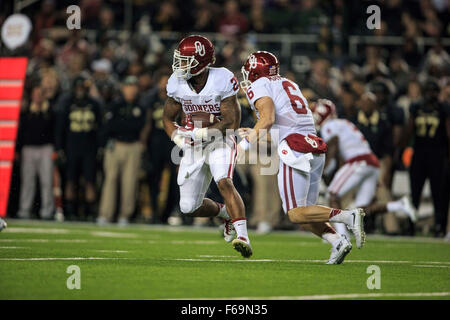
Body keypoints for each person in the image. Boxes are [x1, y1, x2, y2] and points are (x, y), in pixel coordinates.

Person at [237, 51, 363, 265]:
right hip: (312, 146)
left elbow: (267, 119)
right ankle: (338, 242)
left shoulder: (259, 85)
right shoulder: (289, 84)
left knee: (295, 214)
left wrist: (244, 144)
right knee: (308, 213)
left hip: (295, 150)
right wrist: (255, 133)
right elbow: (287, 124)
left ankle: (347, 216)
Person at [162, 35, 251, 258]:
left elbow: (232, 122)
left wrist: (206, 132)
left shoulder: (221, 78)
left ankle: (243, 236)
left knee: (224, 181)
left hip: (221, 140)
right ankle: (225, 213)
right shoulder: (177, 83)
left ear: (201, 62)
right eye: (180, 60)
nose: (180, 65)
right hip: (194, 143)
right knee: (188, 207)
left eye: (186, 60)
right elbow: (167, 119)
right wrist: (177, 138)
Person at [311, 96, 417, 238]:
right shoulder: (343, 123)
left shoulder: (330, 125)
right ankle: (399, 205)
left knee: (332, 194)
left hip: (359, 161)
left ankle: (341, 235)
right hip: (372, 163)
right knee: (362, 208)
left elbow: (334, 144)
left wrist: (326, 168)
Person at [97, 76, 146, 226]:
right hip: (115, 145)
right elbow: (109, 126)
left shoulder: (140, 107)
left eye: (134, 86)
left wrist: (122, 125)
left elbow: (138, 126)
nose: (131, 89)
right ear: (123, 88)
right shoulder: (115, 105)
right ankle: (105, 214)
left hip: (133, 146)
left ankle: (125, 214)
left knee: (130, 182)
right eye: (128, 86)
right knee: (110, 180)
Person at [405, 80, 450, 237]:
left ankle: (439, 226)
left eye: (433, 91)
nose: (430, 94)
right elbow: (409, 130)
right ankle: (411, 224)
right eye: (428, 91)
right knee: (415, 193)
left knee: (438, 193)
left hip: (437, 154)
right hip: (419, 154)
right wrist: (404, 148)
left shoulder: (443, 108)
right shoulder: (416, 107)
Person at [55, 75, 102, 221]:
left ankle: (89, 212)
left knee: (89, 181)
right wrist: (59, 148)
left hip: (89, 148)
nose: (80, 90)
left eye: (83, 87)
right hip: (71, 147)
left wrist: (100, 147)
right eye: (78, 87)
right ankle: (70, 211)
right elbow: (60, 128)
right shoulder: (67, 103)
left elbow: (100, 128)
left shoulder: (94, 104)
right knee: (70, 180)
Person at [141, 72, 179, 224]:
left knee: (175, 181)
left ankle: (169, 211)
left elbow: (182, 122)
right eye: (162, 82)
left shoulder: (178, 100)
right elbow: (147, 124)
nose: (164, 86)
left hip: (174, 143)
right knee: (153, 178)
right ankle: (154, 212)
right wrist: (144, 144)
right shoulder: (151, 100)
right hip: (155, 143)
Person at [16, 86, 55, 219]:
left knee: (46, 181)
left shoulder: (50, 110)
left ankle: (47, 211)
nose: (38, 97)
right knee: (27, 182)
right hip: (29, 148)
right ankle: (24, 210)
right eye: (35, 94)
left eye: (40, 94)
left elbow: (54, 130)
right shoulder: (26, 111)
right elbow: (20, 132)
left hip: (45, 148)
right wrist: (18, 149)